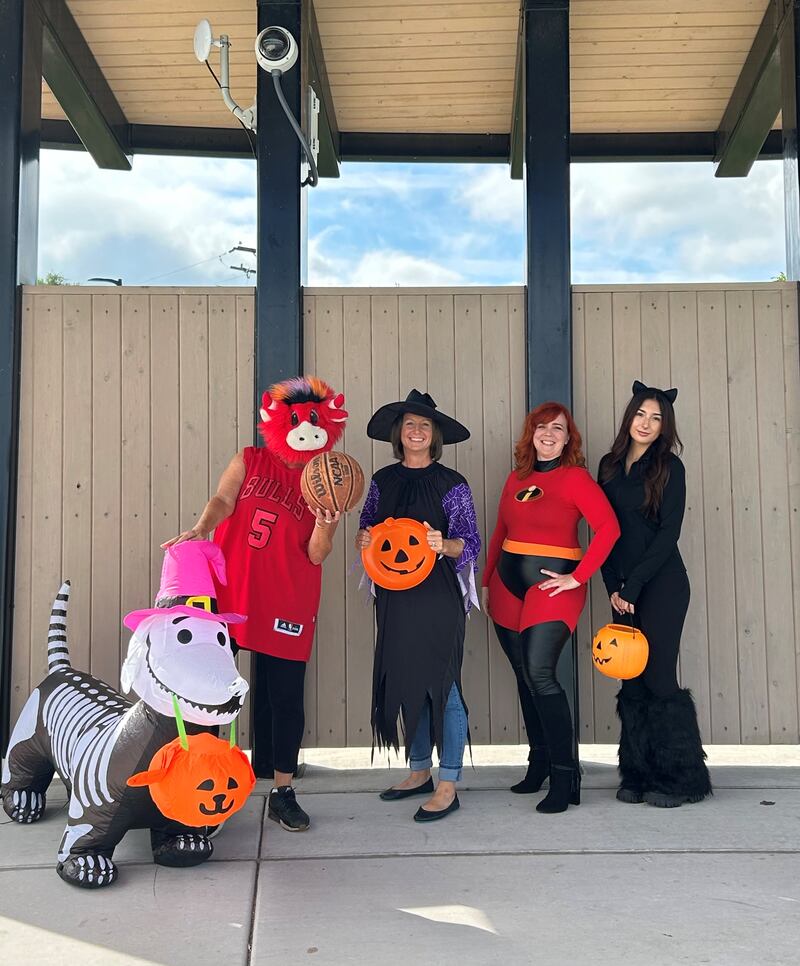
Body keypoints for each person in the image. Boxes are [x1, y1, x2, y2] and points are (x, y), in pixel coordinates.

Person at [163, 375, 349, 832]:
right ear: (277, 422)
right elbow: (224, 498)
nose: (304, 426)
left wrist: (328, 522)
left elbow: (318, 554)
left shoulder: (324, 478)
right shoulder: (251, 458)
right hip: (231, 591)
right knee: (207, 690)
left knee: (286, 697)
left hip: (288, 596)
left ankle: (282, 791)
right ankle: (199, 781)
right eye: (296, 419)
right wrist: (203, 526)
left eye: (313, 420)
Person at [482, 403, 619, 813]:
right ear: (530, 434)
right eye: (541, 426)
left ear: (568, 438)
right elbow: (500, 532)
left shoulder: (575, 478)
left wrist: (578, 577)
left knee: (541, 674)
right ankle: (539, 761)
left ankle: (566, 774)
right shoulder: (516, 478)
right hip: (506, 585)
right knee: (524, 676)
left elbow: (609, 529)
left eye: (557, 428)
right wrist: (487, 582)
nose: (548, 433)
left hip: (552, 587)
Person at [356, 390, 480, 823]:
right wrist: (364, 540)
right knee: (408, 681)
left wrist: (443, 543)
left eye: (425, 425)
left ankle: (448, 783)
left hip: (438, 597)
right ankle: (418, 771)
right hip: (394, 596)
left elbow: (471, 543)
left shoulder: (452, 484)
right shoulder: (383, 481)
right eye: (410, 424)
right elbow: (366, 529)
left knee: (442, 685)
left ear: (435, 435)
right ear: (399, 433)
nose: (416, 431)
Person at [599, 380, 711, 808]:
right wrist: (613, 587)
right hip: (621, 589)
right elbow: (604, 531)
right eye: (641, 414)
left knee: (659, 678)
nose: (646, 423)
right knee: (630, 679)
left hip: (661, 584)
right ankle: (636, 773)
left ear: (665, 426)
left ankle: (680, 779)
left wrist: (634, 586)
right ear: (629, 417)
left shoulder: (670, 468)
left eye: (656, 418)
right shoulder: (609, 466)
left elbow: (668, 535)